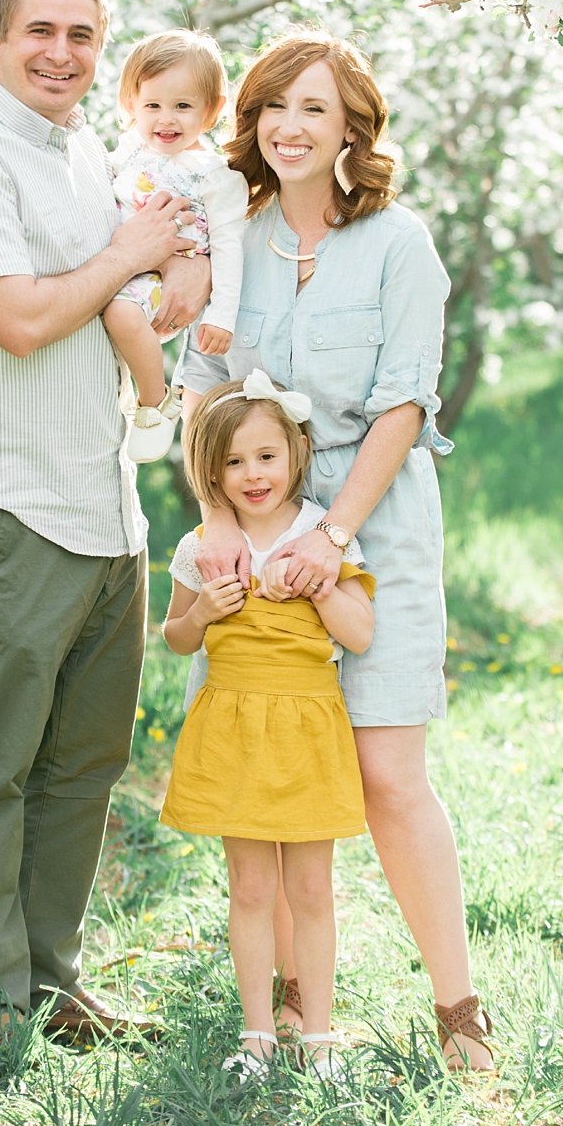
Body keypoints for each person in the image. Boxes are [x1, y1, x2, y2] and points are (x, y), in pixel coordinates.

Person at [0, 0, 212, 1055]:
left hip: (108, 509)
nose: (62, 50)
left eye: (83, 33)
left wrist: (167, 275)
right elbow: (22, 318)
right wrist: (131, 251)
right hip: (14, 504)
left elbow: (132, 292)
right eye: (39, 28)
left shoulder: (95, 156)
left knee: (83, 763)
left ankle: (48, 981)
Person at [177, 28, 497, 1072]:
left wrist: (336, 528)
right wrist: (221, 519)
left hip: (375, 519)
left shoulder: (400, 243)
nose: (289, 126)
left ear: (352, 124)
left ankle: (459, 1009)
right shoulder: (235, 240)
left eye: (313, 107)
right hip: (254, 524)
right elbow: (202, 386)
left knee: (386, 769)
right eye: (272, 106)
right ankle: (282, 1010)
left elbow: (407, 399)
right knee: (263, 760)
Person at [159, 373, 376, 1080]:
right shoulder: (203, 546)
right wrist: (205, 613)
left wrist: (319, 586)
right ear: (210, 472)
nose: (251, 475)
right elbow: (176, 636)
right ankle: (257, 1033)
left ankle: (318, 1035)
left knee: (311, 889)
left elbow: (362, 632)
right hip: (233, 730)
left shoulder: (320, 537)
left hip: (307, 729)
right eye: (231, 462)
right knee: (250, 888)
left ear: (299, 453)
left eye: (265, 457)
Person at [99, 29, 253, 461]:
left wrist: (222, 315)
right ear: (131, 104)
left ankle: (155, 402)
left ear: (212, 109)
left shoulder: (215, 174)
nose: (166, 119)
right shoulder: (128, 150)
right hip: (127, 263)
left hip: (163, 278)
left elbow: (228, 247)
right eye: (153, 105)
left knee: (120, 314)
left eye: (183, 106)